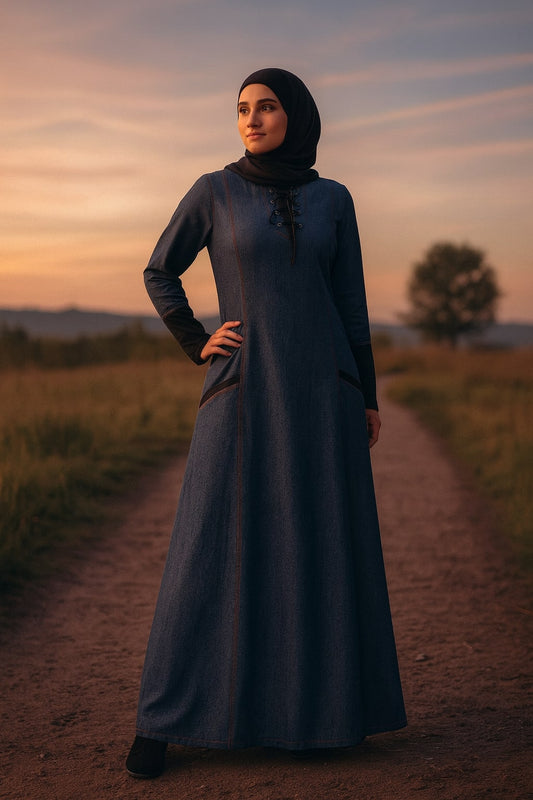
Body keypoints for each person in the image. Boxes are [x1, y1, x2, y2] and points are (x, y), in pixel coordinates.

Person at [126, 67, 406, 779]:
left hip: (325, 395)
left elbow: (350, 307)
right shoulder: (213, 191)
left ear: (296, 114)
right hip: (242, 391)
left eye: (267, 106)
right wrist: (197, 340)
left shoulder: (333, 199)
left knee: (317, 546)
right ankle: (162, 720)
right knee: (206, 548)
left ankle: (317, 718)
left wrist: (364, 394)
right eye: (242, 109)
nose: (251, 119)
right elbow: (161, 269)